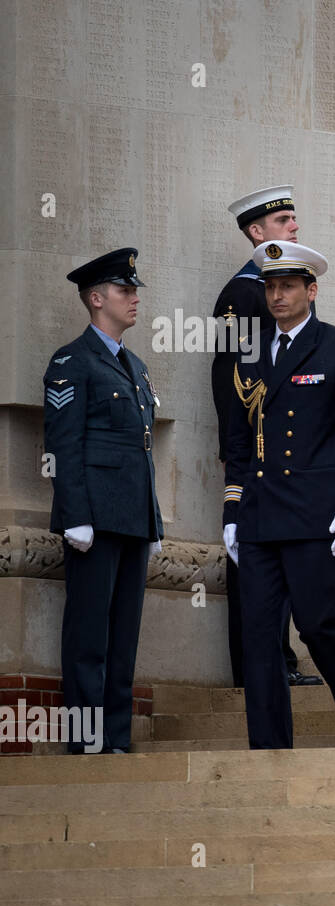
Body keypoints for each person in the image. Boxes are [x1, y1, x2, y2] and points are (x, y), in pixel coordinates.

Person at [222, 241, 335, 748]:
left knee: (322, 628)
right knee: (258, 639)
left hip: (319, 518)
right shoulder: (250, 356)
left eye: (288, 286)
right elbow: (238, 441)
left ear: (311, 290)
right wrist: (232, 510)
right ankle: (270, 748)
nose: (277, 296)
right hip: (259, 519)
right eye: (271, 286)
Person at [43, 248, 163, 753]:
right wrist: (75, 516)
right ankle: (87, 741)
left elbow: (142, 448)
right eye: (123, 290)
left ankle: (115, 738)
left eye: (134, 290)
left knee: (123, 637)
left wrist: (153, 522)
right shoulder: (72, 361)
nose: (134, 298)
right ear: (96, 299)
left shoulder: (133, 364)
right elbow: (62, 444)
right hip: (94, 518)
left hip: (132, 518)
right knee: (89, 635)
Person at [211, 186, 321, 688]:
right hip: (255, 452)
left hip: (285, 453)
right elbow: (236, 380)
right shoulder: (242, 294)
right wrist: (240, 451)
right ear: (257, 233)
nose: (294, 226)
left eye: (294, 218)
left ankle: (280, 660)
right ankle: (260, 668)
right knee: (252, 562)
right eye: (283, 220)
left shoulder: (277, 288)